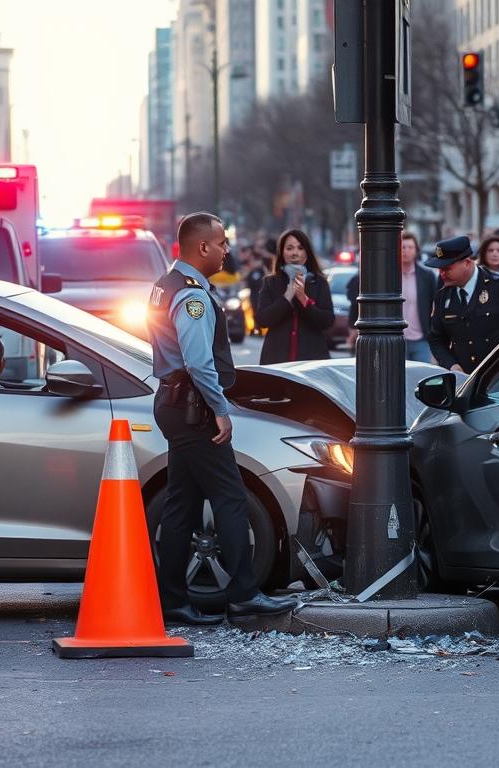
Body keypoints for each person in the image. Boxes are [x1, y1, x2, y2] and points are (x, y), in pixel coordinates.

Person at [147, 212, 297, 625]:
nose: (227, 249)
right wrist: (220, 410)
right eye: (223, 242)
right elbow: (198, 362)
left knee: (183, 503)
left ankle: (174, 599)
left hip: (175, 403)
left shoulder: (167, 284)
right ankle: (245, 596)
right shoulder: (192, 295)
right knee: (230, 497)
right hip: (193, 407)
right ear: (203, 248)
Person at [425, 235, 499, 373]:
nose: (442, 274)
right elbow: (436, 339)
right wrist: (452, 365)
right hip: (464, 381)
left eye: (447, 268)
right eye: (440, 269)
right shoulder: (443, 296)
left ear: (467, 262)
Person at [255, 229, 336, 364]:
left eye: (300, 248)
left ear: (307, 252)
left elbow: (327, 320)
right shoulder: (271, 282)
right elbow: (262, 320)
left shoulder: (319, 282)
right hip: (276, 360)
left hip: (311, 360)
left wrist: (304, 300)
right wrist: (287, 297)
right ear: (282, 252)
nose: (295, 253)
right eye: (289, 248)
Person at [397, 231, 439, 363]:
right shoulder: (390, 275)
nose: (406, 251)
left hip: (421, 338)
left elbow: (435, 304)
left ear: (416, 250)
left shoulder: (427, 276)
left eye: (410, 247)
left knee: (420, 379)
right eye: (403, 247)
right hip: (397, 339)